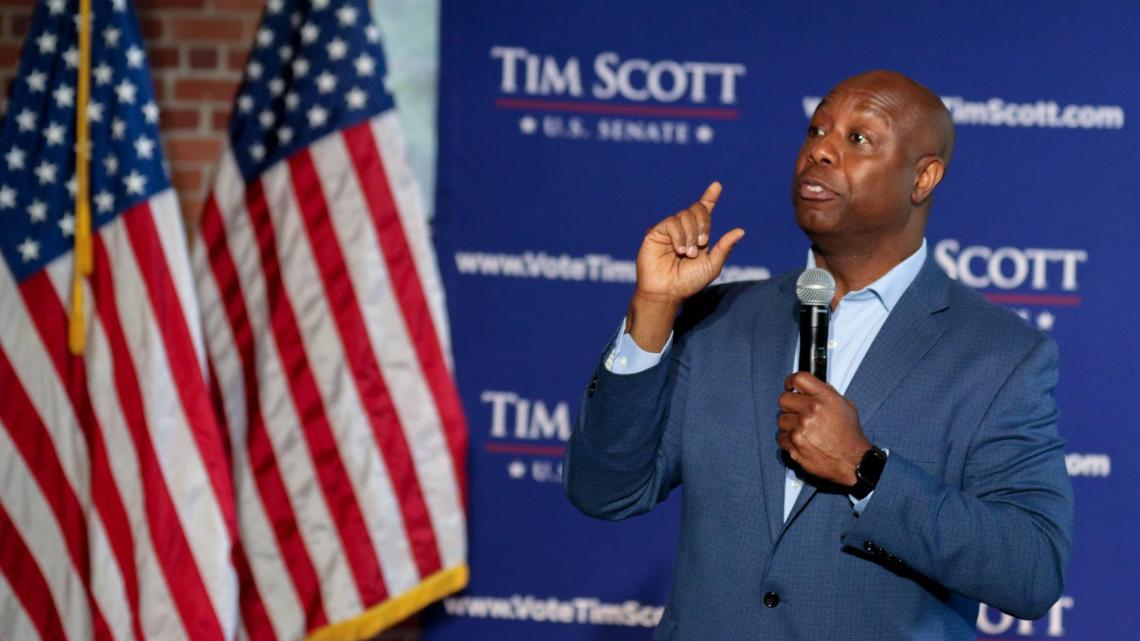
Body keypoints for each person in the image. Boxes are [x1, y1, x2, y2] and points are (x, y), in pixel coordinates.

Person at [563, 70, 1073, 641]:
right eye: (816, 130)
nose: (821, 150)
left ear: (923, 177)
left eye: (859, 139)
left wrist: (866, 470)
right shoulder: (720, 320)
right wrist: (654, 310)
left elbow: (1031, 570)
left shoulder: (999, 355)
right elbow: (604, 491)